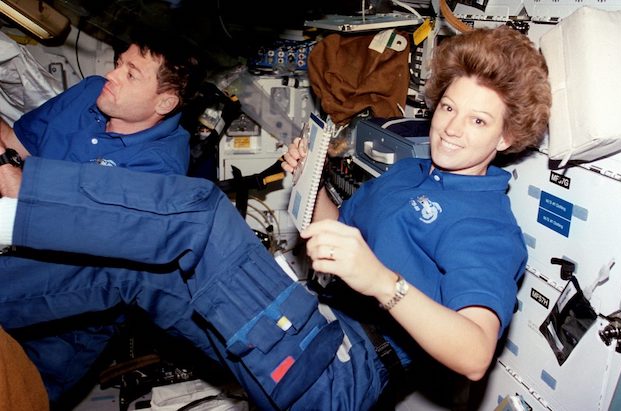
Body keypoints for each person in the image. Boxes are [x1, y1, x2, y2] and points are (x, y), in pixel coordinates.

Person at [0, 26, 551, 410]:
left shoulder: (487, 225)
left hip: (342, 370)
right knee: (138, 265)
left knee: (202, 209)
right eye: (449, 108)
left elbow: (476, 354)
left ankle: (21, 198)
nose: (451, 128)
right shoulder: (410, 174)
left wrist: (382, 282)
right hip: (308, 320)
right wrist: (308, 185)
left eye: (477, 120)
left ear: (505, 138)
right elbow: (341, 239)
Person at [0, 29, 204, 403]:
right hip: (12, 255)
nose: (112, 76)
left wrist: (11, 175)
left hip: (63, 325)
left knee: (17, 396)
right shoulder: (90, 92)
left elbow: (56, 227)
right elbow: (16, 146)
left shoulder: (161, 171)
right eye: (119, 64)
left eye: (131, 74)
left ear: (164, 102)